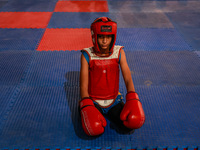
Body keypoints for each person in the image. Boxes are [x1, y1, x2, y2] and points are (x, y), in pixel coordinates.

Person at [79, 17, 145, 136]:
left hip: (114, 101)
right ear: (94, 37)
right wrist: (86, 104)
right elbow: (83, 84)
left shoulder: (119, 52)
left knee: (128, 127)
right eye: (101, 37)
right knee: (92, 130)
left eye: (108, 37)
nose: (105, 41)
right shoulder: (87, 55)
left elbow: (128, 76)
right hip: (94, 101)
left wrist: (132, 97)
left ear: (113, 37)